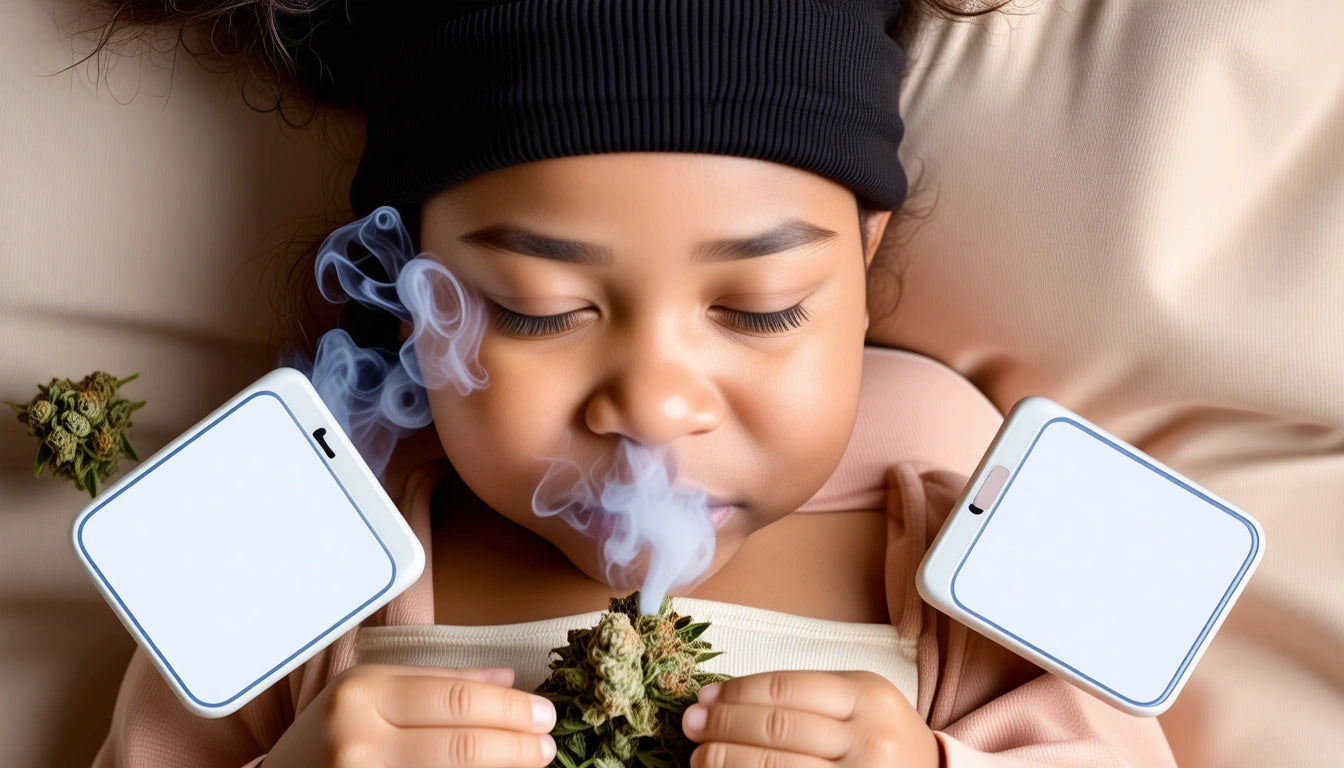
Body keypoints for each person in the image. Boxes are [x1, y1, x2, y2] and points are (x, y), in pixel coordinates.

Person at [89, 1, 1176, 766]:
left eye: (760, 309)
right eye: (538, 310)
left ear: (863, 261)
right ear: (416, 284)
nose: (654, 405)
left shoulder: (977, 503)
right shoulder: (295, 532)